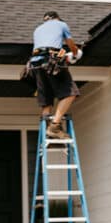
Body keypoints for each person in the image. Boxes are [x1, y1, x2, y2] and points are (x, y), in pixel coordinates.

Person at [28, 10, 82, 140]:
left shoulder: (38, 29)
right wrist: (75, 53)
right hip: (51, 62)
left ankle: (47, 130)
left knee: (47, 97)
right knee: (71, 92)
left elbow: (46, 46)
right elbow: (70, 44)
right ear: (57, 18)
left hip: (35, 64)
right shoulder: (61, 24)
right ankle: (54, 127)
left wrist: (65, 54)